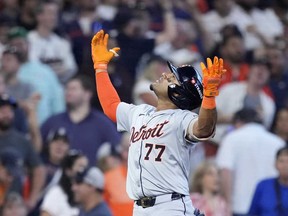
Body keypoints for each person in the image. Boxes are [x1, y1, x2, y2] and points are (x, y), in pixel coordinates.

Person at [91, 29, 226, 215]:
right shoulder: (140, 112)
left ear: (178, 94)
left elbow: (204, 128)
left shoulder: (182, 119)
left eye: (173, 77)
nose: (165, 74)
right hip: (139, 208)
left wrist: (209, 95)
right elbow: (111, 106)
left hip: (170, 205)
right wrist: (100, 68)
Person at [216, 108, 285, 216]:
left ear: (238, 122)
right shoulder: (278, 142)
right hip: (271, 208)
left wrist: (227, 204)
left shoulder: (232, 138)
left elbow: (225, 171)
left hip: (239, 206)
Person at [41, 74, 121, 164]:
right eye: (67, 89)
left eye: (73, 89)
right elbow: (38, 147)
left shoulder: (103, 123)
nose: (68, 92)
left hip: (91, 175)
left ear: (87, 94)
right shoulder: (53, 121)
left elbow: (117, 149)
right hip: (57, 175)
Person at [0, 94, 46, 211]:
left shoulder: (21, 140)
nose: (7, 114)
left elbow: (39, 168)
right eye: (2, 110)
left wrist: (32, 198)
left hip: (14, 203)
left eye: (10, 110)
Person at [40, 150, 88, 216]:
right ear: (68, 170)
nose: (84, 171)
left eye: (86, 167)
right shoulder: (56, 193)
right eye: (80, 167)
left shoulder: (86, 196)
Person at [248, 146, 288, 216]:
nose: (285, 165)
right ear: (275, 164)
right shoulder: (263, 185)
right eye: (281, 161)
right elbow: (253, 212)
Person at [103, 132, 134, 216]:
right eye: (126, 149)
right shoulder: (108, 178)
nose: (127, 155)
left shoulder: (153, 177)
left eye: (133, 149)